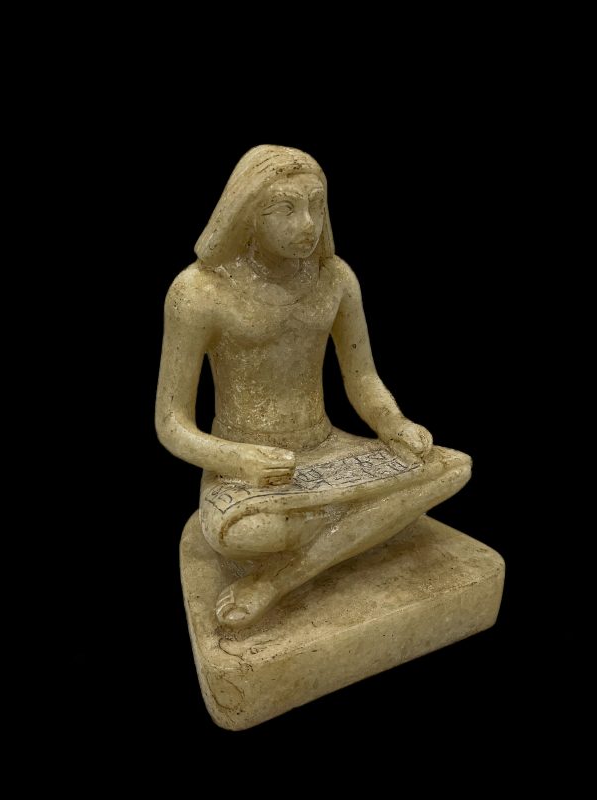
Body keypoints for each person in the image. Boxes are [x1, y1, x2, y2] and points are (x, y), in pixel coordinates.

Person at [156, 145, 471, 629]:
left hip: (328, 449)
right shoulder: (198, 292)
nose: (307, 224)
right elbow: (171, 422)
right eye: (285, 209)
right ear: (246, 214)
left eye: (316, 206)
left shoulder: (336, 279)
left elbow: (363, 379)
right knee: (243, 533)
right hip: (250, 466)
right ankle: (362, 523)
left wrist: (395, 424)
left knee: (451, 469)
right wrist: (240, 459)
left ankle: (277, 579)